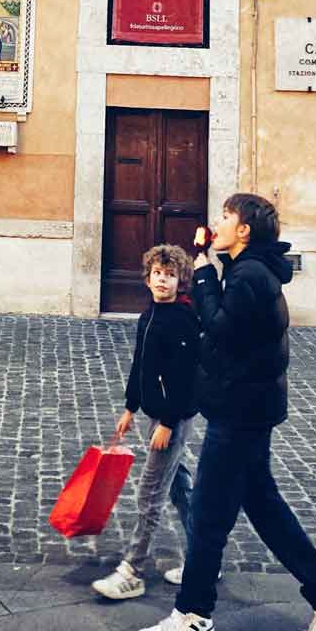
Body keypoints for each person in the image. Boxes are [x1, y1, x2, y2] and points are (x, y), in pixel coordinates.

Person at [135, 193, 316, 631]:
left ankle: (193, 618)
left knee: (208, 514)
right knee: (263, 508)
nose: (217, 223)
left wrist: (202, 273)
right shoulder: (247, 273)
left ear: (244, 230)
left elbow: (219, 327)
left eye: (225, 217)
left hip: (239, 412)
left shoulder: (250, 276)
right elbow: (229, 329)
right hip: (244, 407)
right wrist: (210, 273)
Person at [92, 244, 199, 601]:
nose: (162, 281)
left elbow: (185, 378)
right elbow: (141, 366)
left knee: (149, 493)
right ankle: (206, 559)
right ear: (148, 277)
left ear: (180, 280)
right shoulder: (148, 315)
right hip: (157, 415)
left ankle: (132, 571)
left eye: (170, 275)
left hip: (173, 419)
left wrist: (168, 423)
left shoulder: (183, 319)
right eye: (157, 274)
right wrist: (129, 408)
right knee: (180, 489)